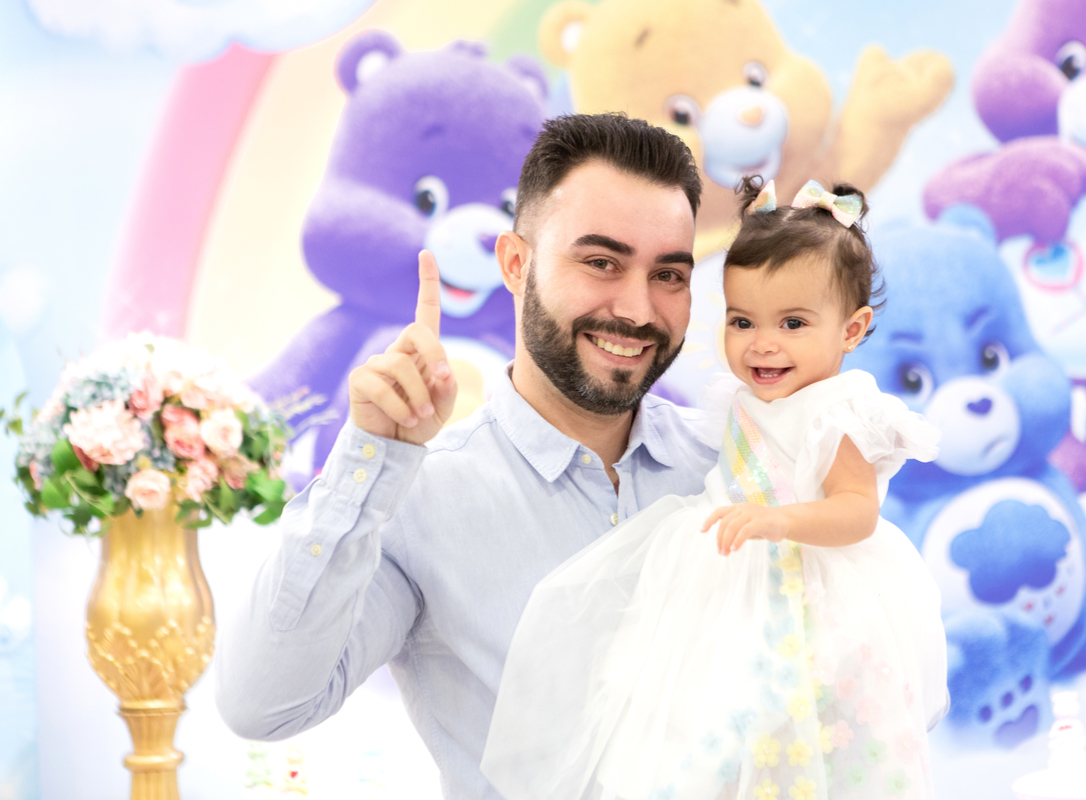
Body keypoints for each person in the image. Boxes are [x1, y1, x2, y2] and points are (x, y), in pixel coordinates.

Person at [214, 113, 715, 799]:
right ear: (515, 264)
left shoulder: (735, 468)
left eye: (669, 275)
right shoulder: (420, 498)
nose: (637, 309)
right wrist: (369, 458)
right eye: (601, 262)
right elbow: (262, 705)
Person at [480, 179, 949, 800]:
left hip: (807, 586)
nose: (763, 343)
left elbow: (857, 511)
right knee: (690, 710)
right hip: (725, 572)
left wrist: (781, 521)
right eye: (741, 321)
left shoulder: (837, 411)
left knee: (808, 721)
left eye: (793, 323)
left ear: (852, 329)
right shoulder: (742, 401)